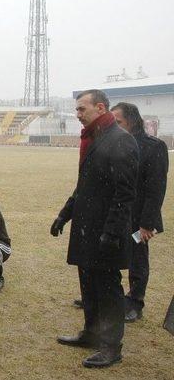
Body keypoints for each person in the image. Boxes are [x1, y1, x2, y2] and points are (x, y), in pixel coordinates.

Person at [51, 89, 138, 369]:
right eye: (76, 110)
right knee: (88, 283)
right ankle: (91, 333)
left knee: (108, 288)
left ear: (100, 108)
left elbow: (125, 195)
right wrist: (64, 215)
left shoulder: (121, 140)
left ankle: (112, 346)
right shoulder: (93, 138)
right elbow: (84, 186)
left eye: (81, 109)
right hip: (86, 228)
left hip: (105, 231)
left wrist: (112, 233)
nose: (77, 115)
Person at [110, 102, 168, 323]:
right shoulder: (113, 143)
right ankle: (110, 297)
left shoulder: (154, 147)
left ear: (132, 122)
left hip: (138, 218)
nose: (115, 126)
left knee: (137, 259)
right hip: (115, 213)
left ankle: (135, 302)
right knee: (108, 255)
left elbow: (156, 189)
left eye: (119, 122)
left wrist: (147, 223)